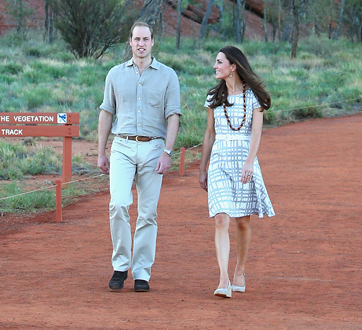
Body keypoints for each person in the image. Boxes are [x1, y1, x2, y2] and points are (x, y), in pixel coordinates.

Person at [97, 21, 181, 293]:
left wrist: (167, 152)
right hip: (121, 145)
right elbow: (107, 112)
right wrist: (101, 151)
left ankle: (142, 272)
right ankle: (121, 266)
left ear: (153, 41)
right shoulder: (115, 74)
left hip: (154, 148)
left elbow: (173, 116)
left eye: (146, 39)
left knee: (148, 213)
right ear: (130, 42)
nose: (141, 43)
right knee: (118, 204)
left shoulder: (168, 76)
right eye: (136, 39)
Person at [198, 46, 275, 298]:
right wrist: (202, 167)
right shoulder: (213, 97)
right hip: (219, 160)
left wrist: (250, 162)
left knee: (242, 221)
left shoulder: (253, 97)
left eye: (219, 62)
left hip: (244, 161)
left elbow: (256, 132)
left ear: (233, 66)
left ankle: (239, 271)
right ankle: (222, 279)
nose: (214, 66)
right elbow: (209, 133)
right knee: (221, 218)